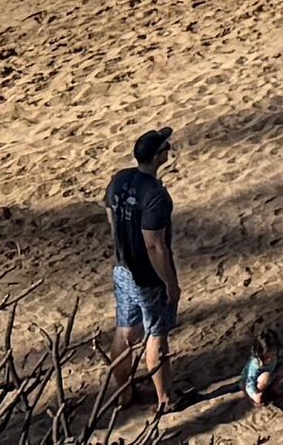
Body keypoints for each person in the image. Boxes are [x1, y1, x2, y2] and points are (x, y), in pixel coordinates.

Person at [104, 126, 183, 410]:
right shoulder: (156, 196)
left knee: (124, 333)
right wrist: (170, 284)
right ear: (159, 157)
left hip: (123, 269)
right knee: (157, 334)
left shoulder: (119, 180)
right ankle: (164, 399)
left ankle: (124, 393)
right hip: (148, 276)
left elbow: (112, 219)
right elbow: (155, 245)